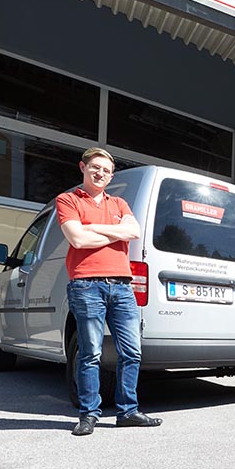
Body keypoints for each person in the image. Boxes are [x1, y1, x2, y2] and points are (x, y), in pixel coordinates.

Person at [56, 147, 162, 436]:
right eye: (95, 167)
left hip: (123, 286)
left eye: (106, 170)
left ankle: (128, 412)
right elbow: (77, 239)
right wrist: (114, 231)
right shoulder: (68, 200)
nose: (100, 173)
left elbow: (133, 232)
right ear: (83, 167)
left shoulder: (119, 203)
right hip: (86, 285)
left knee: (132, 352)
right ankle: (88, 414)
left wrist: (93, 229)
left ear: (111, 176)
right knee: (90, 353)